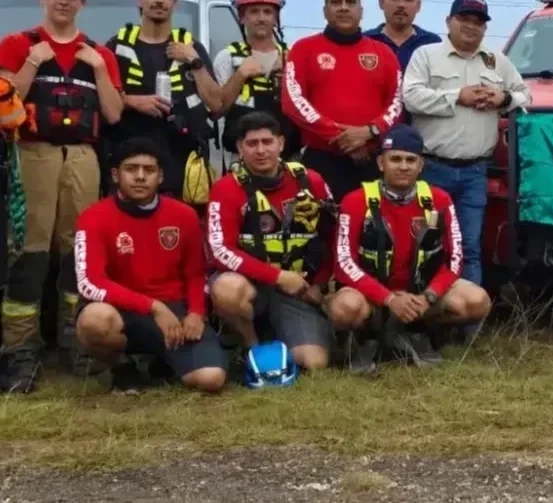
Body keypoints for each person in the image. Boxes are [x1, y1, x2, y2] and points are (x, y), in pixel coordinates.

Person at [0, 0, 123, 392]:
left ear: (82, 3)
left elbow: (113, 114)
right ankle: (20, 351)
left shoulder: (98, 53)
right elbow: (5, 100)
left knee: (79, 252)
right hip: (33, 152)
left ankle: (78, 340)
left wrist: (101, 71)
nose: (63, 2)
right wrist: (34, 62)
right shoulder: (19, 45)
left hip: (83, 156)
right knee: (29, 253)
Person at [72, 137, 228, 393]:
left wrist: (197, 314)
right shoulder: (93, 217)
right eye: (131, 169)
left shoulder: (184, 215)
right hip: (123, 310)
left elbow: (196, 273)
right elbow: (90, 283)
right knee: (94, 320)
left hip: (176, 311)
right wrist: (153, 307)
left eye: (149, 170)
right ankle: (122, 368)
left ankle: (163, 361)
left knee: (210, 380)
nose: (140, 177)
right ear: (115, 174)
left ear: (161, 176)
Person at [331, 124, 492, 368]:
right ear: (381, 163)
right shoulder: (355, 200)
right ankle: (368, 339)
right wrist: (388, 298)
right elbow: (344, 263)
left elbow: (456, 259)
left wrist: (428, 297)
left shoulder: (439, 199)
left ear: (421, 165)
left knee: (476, 301)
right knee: (344, 308)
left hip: (420, 296)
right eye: (395, 159)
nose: (403, 166)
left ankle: (417, 332)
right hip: (373, 296)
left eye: (410, 159)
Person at [402, 0, 531, 289]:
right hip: (432, 168)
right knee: (426, 243)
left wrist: (504, 97)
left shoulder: (496, 61)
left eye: (478, 22)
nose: (471, 27)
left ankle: (468, 326)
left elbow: (526, 95)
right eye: (464, 19)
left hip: (475, 171)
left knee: (470, 248)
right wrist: (457, 96)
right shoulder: (426, 55)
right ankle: (423, 317)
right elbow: (409, 98)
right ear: (449, 21)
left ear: (485, 28)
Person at [206, 111, 336, 371]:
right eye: (252, 144)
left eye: (267, 142)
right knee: (227, 290)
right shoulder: (226, 188)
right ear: (240, 149)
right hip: (251, 284)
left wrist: (320, 285)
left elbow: (333, 235)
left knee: (314, 363)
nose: (261, 150)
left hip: (299, 287)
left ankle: (284, 336)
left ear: (281, 144)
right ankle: (252, 348)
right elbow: (220, 250)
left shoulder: (311, 181)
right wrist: (277, 277)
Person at [106, 0, 222, 206]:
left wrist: (194, 61)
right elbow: (99, 100)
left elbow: (217, 104)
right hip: (130, 163)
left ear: (174, 3)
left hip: (181, 163)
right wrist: (132, 101)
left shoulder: (191, 46)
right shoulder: (117, 46)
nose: (159, 0)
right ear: (140, 0)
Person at [282, 0, 403, 202]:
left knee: (369, 230)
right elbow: (293, 101)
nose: (344, 7)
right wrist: (343, 138)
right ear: (325, 11)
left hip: (370, 160)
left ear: (361, 11)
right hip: (320, 160)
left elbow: (397, 102)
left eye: (350, 2)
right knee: (321, 227)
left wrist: (370, 131)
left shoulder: (384, 53)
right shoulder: (303, 49)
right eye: (336, 2)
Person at [214, 0, 298, 159]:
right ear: (242, 17)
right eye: (254, 12)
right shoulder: (227, 57)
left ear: (276, 18)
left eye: (267, 12)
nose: (261, 18)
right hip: (240, 158)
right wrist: (240, 76)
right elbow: (216, 109)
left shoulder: (292, 58)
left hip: (286, 156)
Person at [364, 0, 442, 71]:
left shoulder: (432, 43)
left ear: (418, 6)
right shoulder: (365, 41)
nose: (401, 4)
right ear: (381, 2)